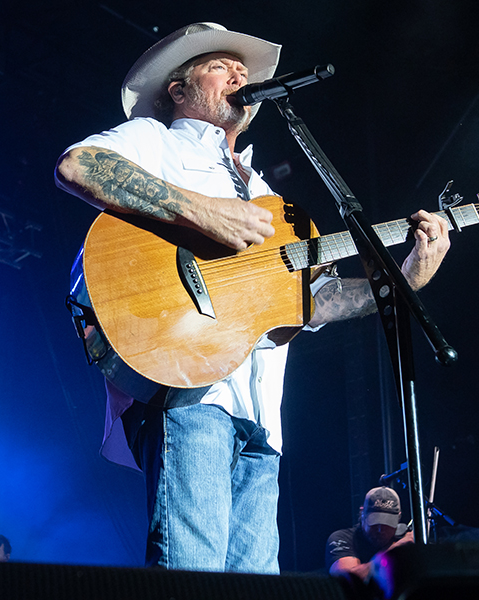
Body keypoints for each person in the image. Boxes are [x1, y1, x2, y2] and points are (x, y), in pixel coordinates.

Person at [55, 22, 450, 574]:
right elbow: (79, 166)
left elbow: (319, 300)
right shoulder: (156, 140)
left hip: (262, 415)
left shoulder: (267, 197)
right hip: (192, 389)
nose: (240, 74)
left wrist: (405, 278)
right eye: (221, 66)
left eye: (245, 70)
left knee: (256, 584)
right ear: (179, 90)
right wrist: (201, 211)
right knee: (191, 571)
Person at [325, 487, 414, 579]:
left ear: (398, 519)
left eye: (387, 523)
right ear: (362, 514)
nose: (380, 529)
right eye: (375, 522)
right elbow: (348, 580)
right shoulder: (343, 538)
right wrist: (397, 549)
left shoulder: (405, 538)